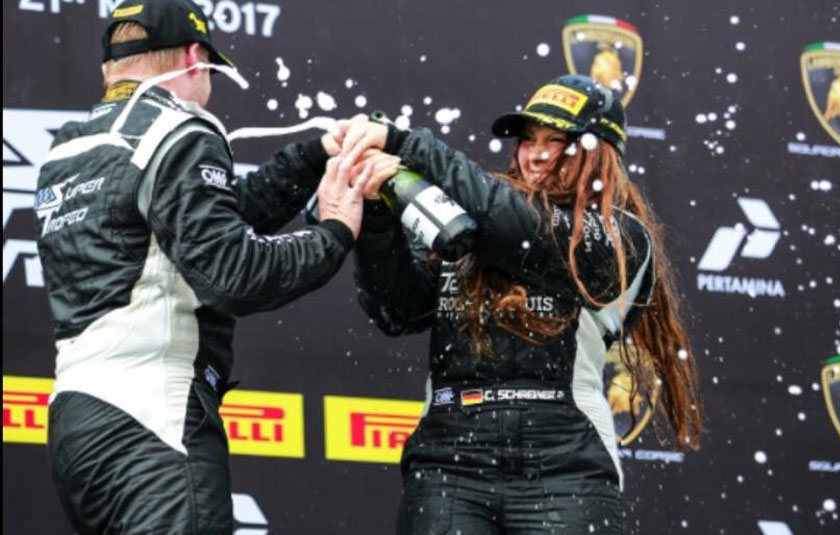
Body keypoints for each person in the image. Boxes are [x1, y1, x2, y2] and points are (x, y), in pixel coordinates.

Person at [33, 1, 392, 532]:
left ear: (109, 67)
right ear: (194, 57)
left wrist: (314, 155)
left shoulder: (71, 147)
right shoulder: (179, 129)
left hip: (79, 422)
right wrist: (334, 231)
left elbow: (202, 227)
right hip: (155, 422)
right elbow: (234, 276)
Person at [338, 74, 703, 534]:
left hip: (567, 463)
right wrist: (376, 214)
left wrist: (406, 144)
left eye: (557, 141)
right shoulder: (472, 221)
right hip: (448, 461)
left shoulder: (621, 236)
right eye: (529, 140)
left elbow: (522, 227)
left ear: (602, 155)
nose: (537, 153)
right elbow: (398, 310)